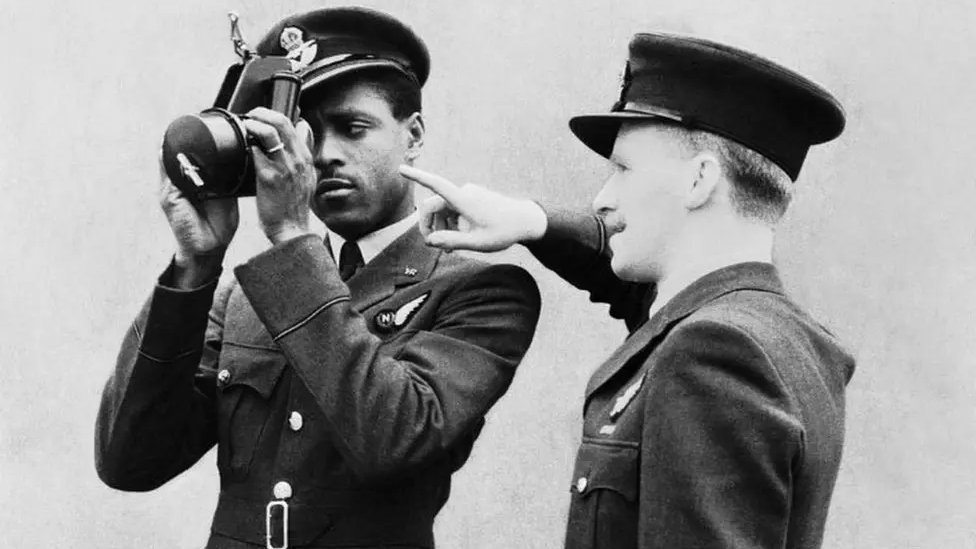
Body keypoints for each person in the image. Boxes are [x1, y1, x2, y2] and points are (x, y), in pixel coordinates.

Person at [94, 7, 541, 549]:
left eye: (354, 128)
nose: (325, 155)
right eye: (307, 136)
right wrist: (195, 267)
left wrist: (288, 234)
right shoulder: (244, 296)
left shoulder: (479, 292)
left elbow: (393, 440)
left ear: (414, 134)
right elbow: (130, 461)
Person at [401, 32, 856, 549]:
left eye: (622, 169)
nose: (602, 198)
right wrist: (531, 222)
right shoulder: (782, 336)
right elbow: (638, 292)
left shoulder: (710, 354)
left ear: (698, 181)